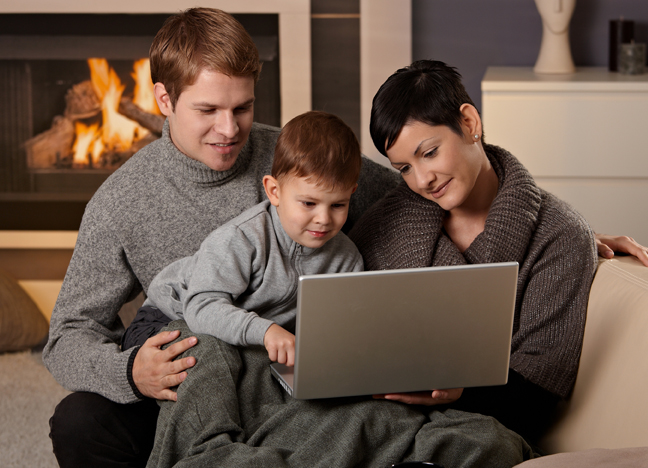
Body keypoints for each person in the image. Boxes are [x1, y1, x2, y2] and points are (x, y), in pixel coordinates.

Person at [44, 8, 400, 468]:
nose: (229, 130)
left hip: (284, 380)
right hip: (190, 383)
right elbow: (68, 336)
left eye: (243, 108)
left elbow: (408, 193)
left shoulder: (293, 156)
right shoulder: (121, 200)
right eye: (207, 110)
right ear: (165, 100)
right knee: (79, 422)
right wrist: (130, 372)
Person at [347, 59, 610, 443]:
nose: (422, 180)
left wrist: (462, 391)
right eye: (403, 168)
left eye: (430, 153)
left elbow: (537, 396)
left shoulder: (560, 237)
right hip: (372, 419)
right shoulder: (386, 220)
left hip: (479, 430)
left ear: (469, 124)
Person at [140, 111, 364, 368]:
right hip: (170, 316)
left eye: (338, 205)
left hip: (246, 333)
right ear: (274, 191)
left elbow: (336, 328)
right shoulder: (242, 238)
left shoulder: (347, 260)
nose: (324, 219)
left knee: (268, 371)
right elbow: (201, 307)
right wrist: (266, 331)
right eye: (309, 203)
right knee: (210, 359)